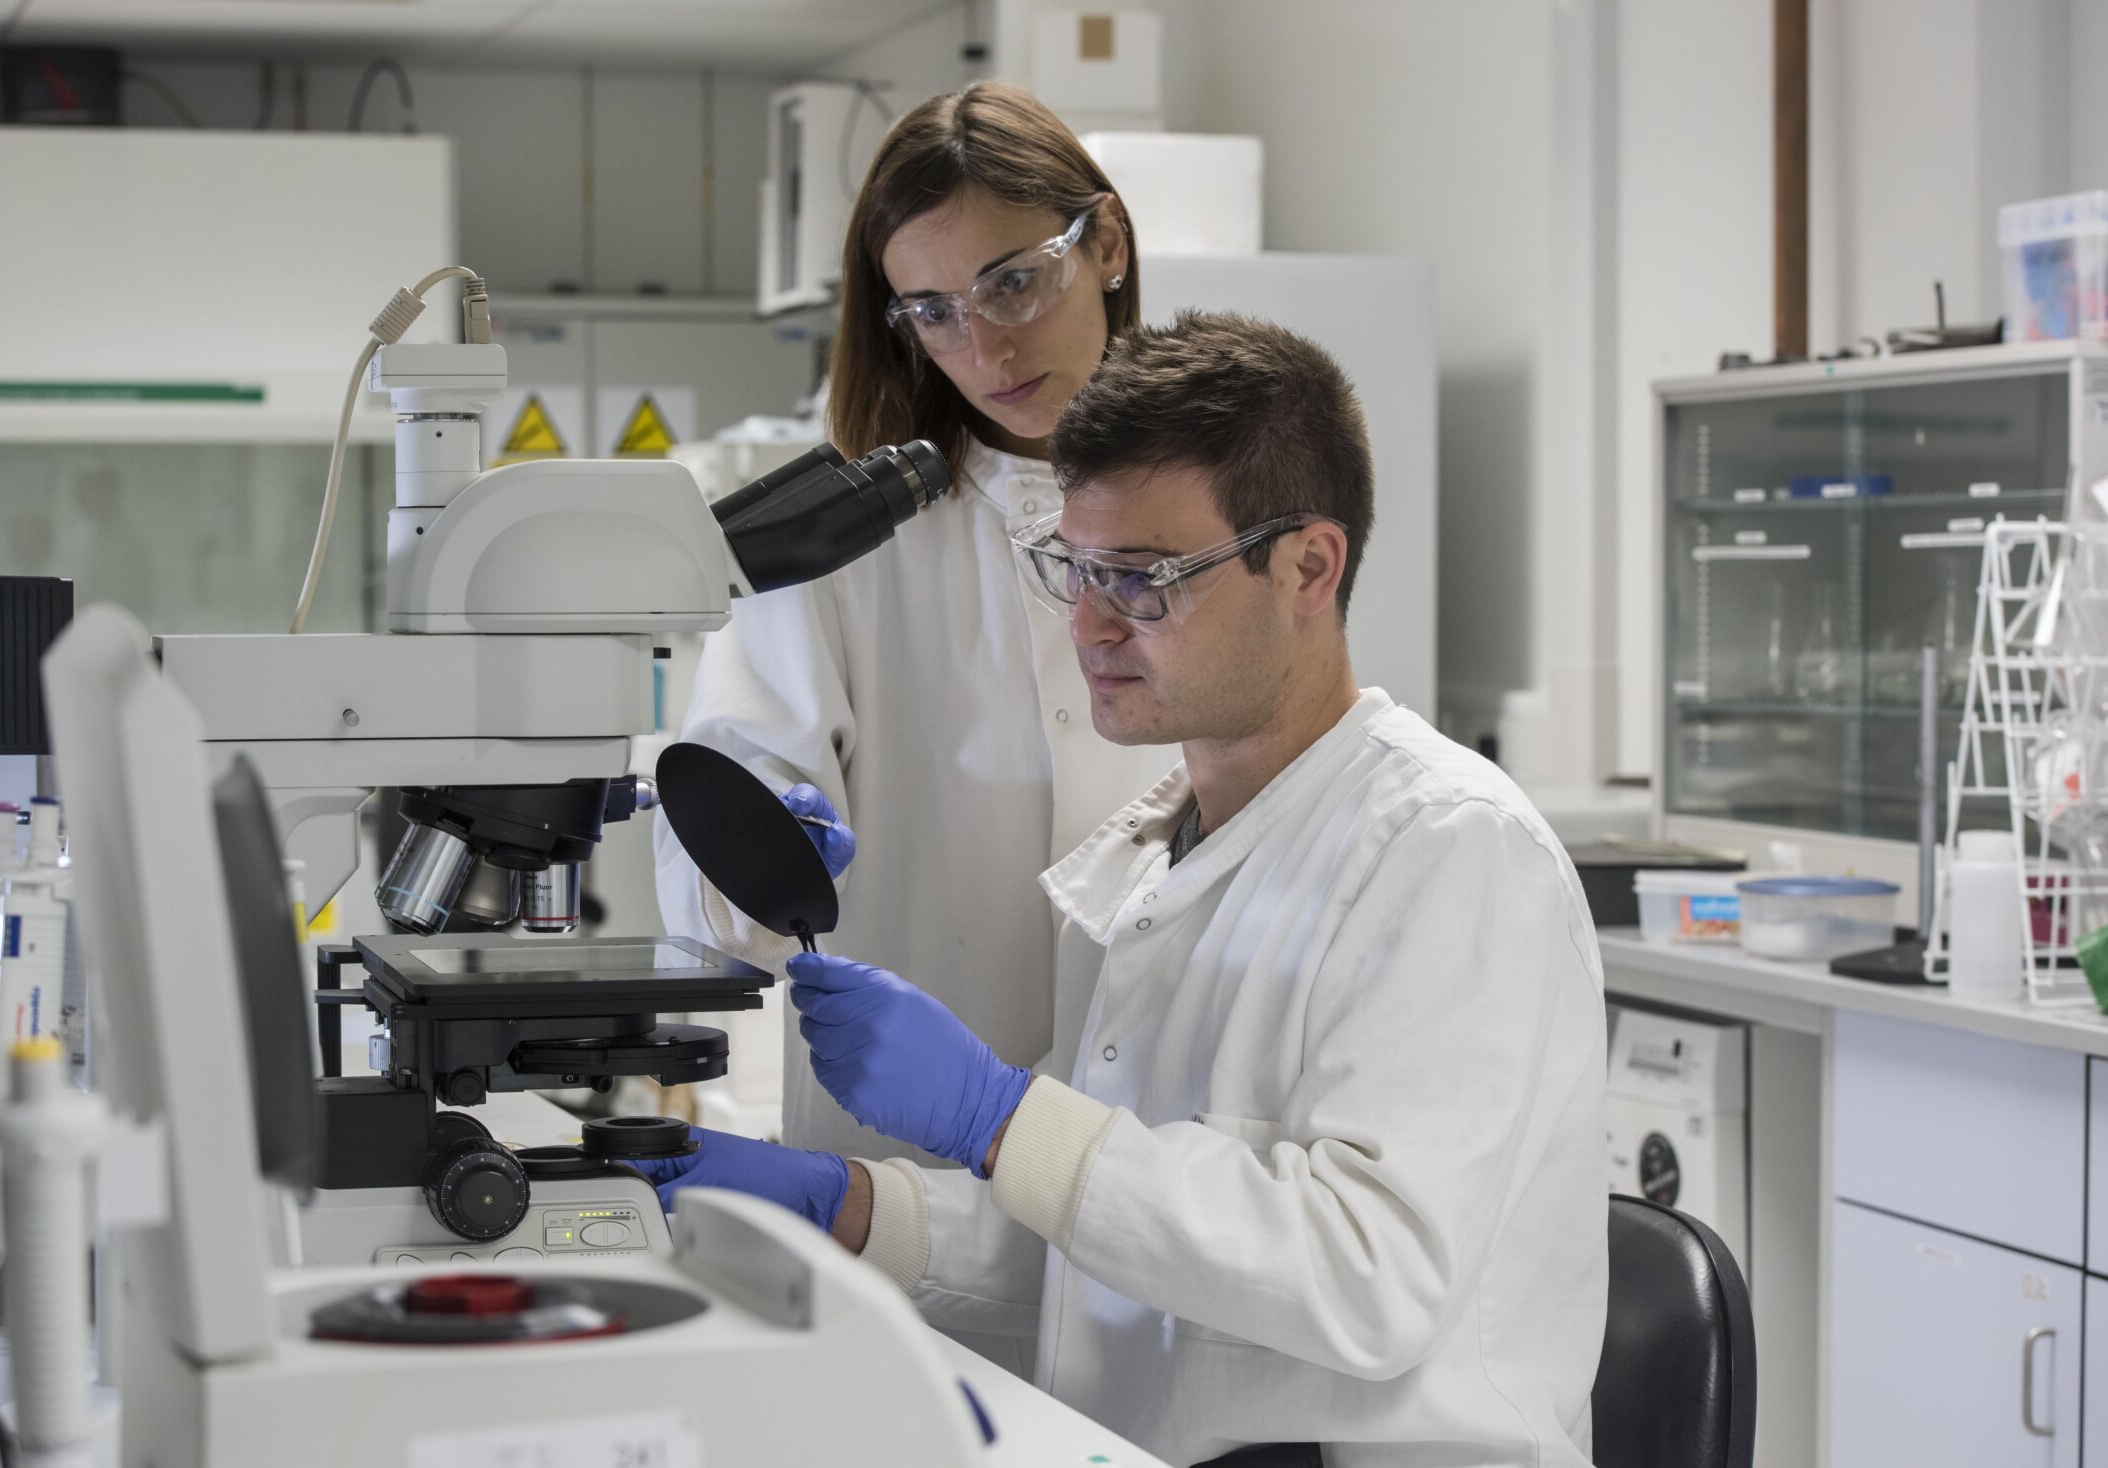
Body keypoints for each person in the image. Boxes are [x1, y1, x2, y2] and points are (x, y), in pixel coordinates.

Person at [635, 312, 1609, 1468]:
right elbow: (1114, 1249)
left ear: (1308, 566)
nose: (1089, 627)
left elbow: (1368, 1275)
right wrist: (849, 1205)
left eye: (1144, 580)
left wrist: (1003, 1118)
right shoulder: (1163, 852)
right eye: (1078, 571)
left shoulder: (1448, 847)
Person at [654, 81, 1178, 1166]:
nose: (986, 348)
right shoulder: (838, 549)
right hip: (903, 1177)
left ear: (1107, 244)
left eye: (1013, 283)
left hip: (1166, 1160)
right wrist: (757, 848)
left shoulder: (1219, 512)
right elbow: (717, 911)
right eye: (933, 312)